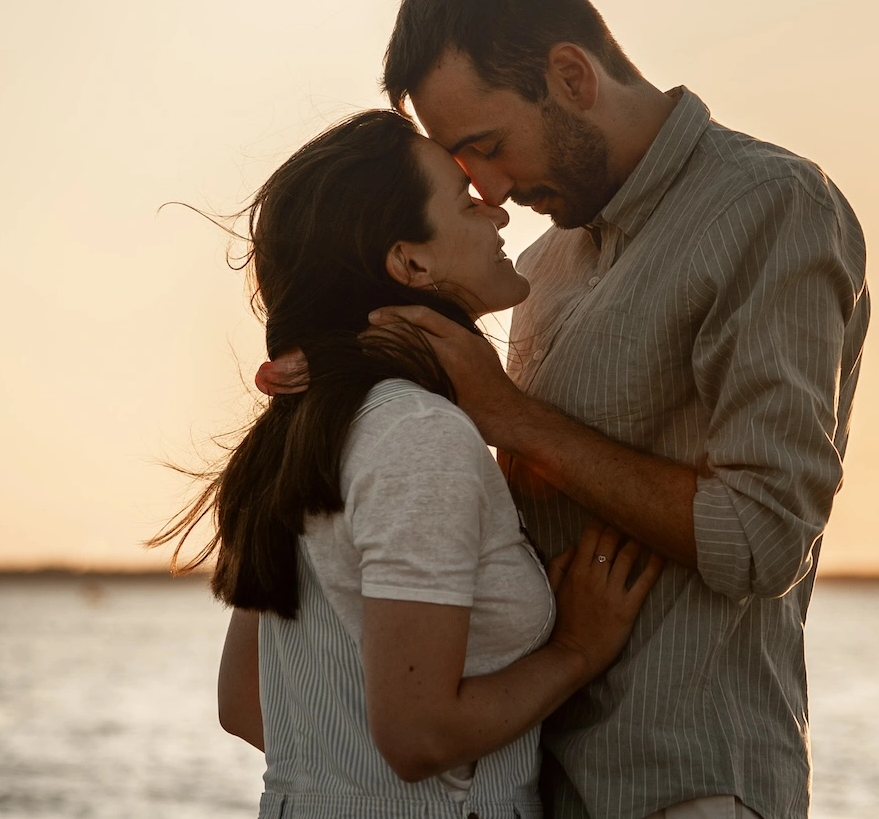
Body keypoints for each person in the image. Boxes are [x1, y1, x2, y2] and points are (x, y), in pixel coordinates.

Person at [261, 0, 871, 819]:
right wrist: (337, 379)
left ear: (572, 75)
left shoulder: (772, 209)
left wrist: (514, 417)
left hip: (688, 784)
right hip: (536, 784)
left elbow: (764, 539)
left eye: (490, 146)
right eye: (465, 167)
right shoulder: (544, 264)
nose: (492, 190)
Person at [149, 109, 662, 818]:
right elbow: (417, 736)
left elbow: (245, 703)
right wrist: (575, 650)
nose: (497, 213)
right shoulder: (418, 435)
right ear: (411, 263)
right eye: (462, 201)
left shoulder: (310, 431)